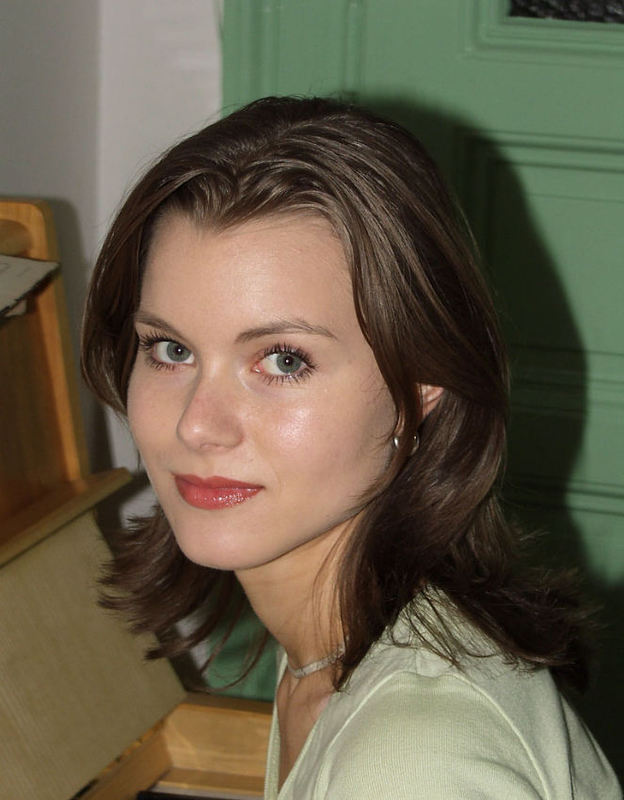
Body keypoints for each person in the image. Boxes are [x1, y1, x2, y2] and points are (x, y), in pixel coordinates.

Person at [81, 96, 621, 799]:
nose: (197, 426)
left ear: (421, 386)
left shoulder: (412, 763)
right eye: (171, 349)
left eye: (282, 360)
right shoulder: (345, 639)